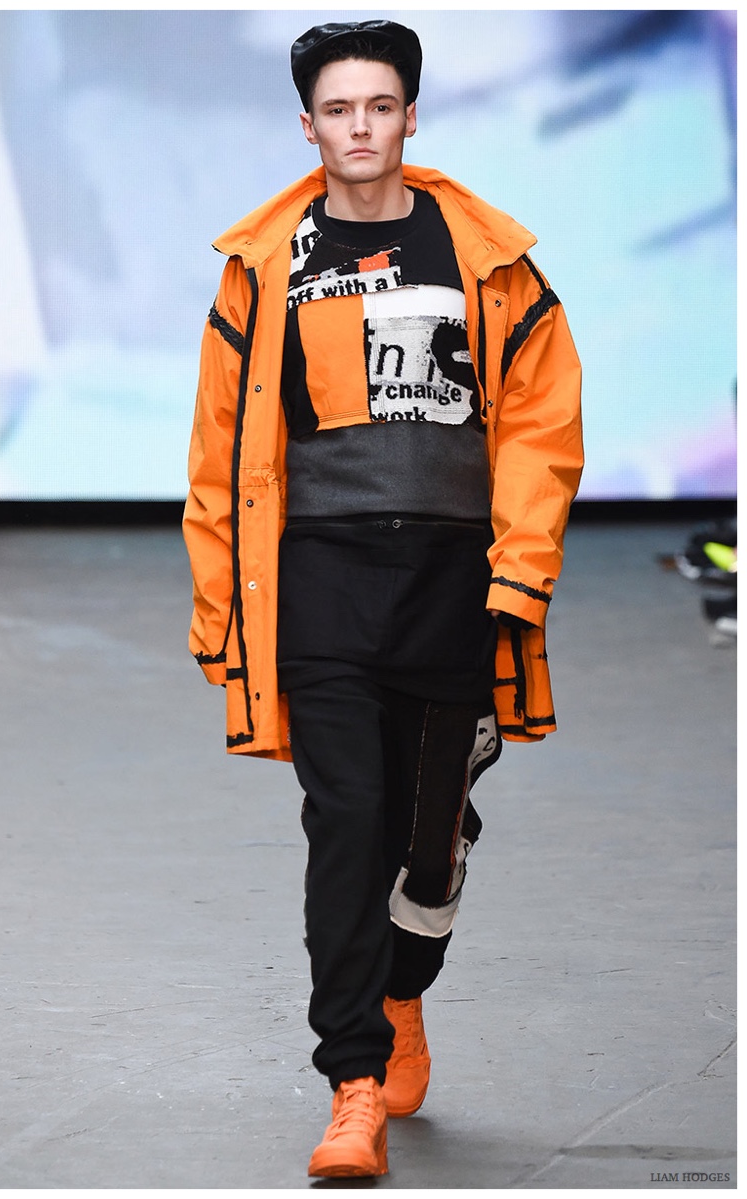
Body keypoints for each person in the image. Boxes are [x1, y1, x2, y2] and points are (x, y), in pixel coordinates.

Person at [183, 19, 583, 1179]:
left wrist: (518, 569)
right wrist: (220, 611)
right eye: (337, 109)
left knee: (429, 842)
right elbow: (219, 449)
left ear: (410, 116)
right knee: (346, 819)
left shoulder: (487, 256)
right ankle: (352, 1078)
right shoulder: (264, 265)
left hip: (453, 579)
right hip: (321, 576)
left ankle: (403, 991)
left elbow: (540, 423)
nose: (358, 127)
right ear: (306, 126)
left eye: (378, 105)